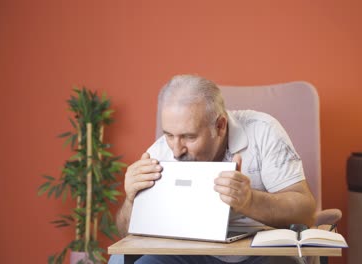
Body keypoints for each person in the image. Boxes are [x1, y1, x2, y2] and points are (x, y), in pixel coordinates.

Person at [109, 74, 316, 264]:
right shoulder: (161, 151)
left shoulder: (263, 131)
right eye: (169, 135)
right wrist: (131, 200)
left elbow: (305, 212)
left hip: (260, 251)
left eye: (189, 137)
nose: (176, 150)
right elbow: (126, 235)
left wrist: (250, 201)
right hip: (187, 254)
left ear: (220, 126)